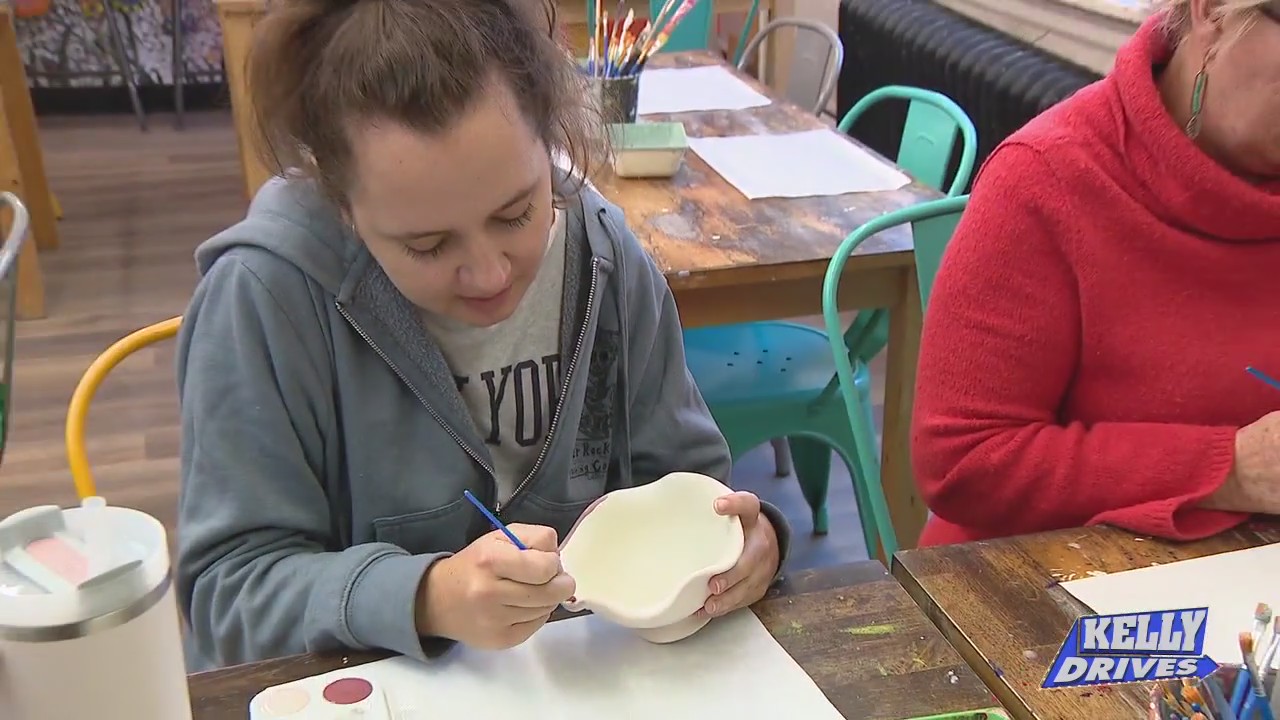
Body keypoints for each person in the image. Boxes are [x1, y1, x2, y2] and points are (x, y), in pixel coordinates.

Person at [174, 0, 789, 671]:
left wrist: (751, 546)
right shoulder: (264, 300)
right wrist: (424, 596)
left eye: (517, 212)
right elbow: (227, 596)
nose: (489, 273)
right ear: (340, 202)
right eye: (428, 245)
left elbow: (692, 487)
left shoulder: (605, 256)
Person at [911, 0, 1280, 546]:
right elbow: (965, 461)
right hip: (1036, 595)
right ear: (1214, 11)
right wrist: (1229, 469)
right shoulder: (1048, 179)